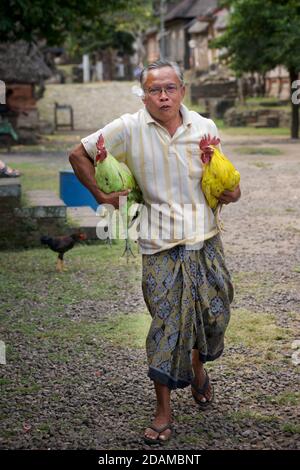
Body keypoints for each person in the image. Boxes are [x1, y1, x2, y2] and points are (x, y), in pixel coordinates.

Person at [69, 60, 241, 444]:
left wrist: (233, 192)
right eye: (153, 90)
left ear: (182, 89)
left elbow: (225, 183)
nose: (162, 96)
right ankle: (163, 411)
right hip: (160, 244)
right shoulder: (128, 128)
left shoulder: (204, 127)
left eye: (169, 88)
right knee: (166, 324)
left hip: (206, 239)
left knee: (214, 315)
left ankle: (198, 366)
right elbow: (77, 154)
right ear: (143, 94)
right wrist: (102, 195)